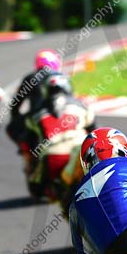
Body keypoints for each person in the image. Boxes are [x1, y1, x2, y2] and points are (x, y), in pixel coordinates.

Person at [24, 73, 96, 203]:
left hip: (52, 157)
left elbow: (29, 136)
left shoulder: (36, 112)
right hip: (80, 152)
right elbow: (94, 129)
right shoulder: (81, 106)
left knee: (37, 185)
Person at [7, 49, 63, 147]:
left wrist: (15, 118)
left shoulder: (30, 78)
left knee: (11, 128)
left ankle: (26, 153)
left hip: (36, 117)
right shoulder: (61, 77)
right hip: (62, 117)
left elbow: (15, 103)